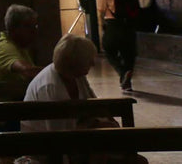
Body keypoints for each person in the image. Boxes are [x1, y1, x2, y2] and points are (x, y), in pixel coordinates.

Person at [22, 34, 148, 164]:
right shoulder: (50, 87)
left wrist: (108, 122)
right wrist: (94, 126)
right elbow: (58, 137)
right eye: (89, 60)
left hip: (74, 141)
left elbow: (94, 104)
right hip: (48, 150)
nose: (93, 63)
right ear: (73, 63)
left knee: (135, 159)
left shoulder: (75, 76)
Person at [97, 0, 139, 92]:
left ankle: (123, 73)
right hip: (129, 26)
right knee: (128, 54)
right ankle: (127, 82)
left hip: (113, 24)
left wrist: (102, 26)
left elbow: (101, 10)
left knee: (109, 51)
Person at [0, 4, 41, 85]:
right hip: (4, 97)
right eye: (30, 27)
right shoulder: (4, 46)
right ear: (15, 28)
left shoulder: (19, 46)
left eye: (35, 27)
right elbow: (27, 71)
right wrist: (55, 71)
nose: (35, 32)